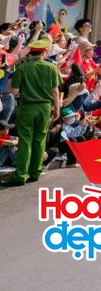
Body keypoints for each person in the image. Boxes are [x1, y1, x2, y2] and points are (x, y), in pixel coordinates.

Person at [1, 36, 61, 187]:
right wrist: (57, 111)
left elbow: (14, 92)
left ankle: (20, 174)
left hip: (27, 107)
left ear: (31, 52)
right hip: (45, 108)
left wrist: (25, 93)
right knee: (40, 140)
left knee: (25, 141)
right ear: (44, 52)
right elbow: (55, 91)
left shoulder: (22, 67)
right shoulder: (51, 68)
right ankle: (35, 172)